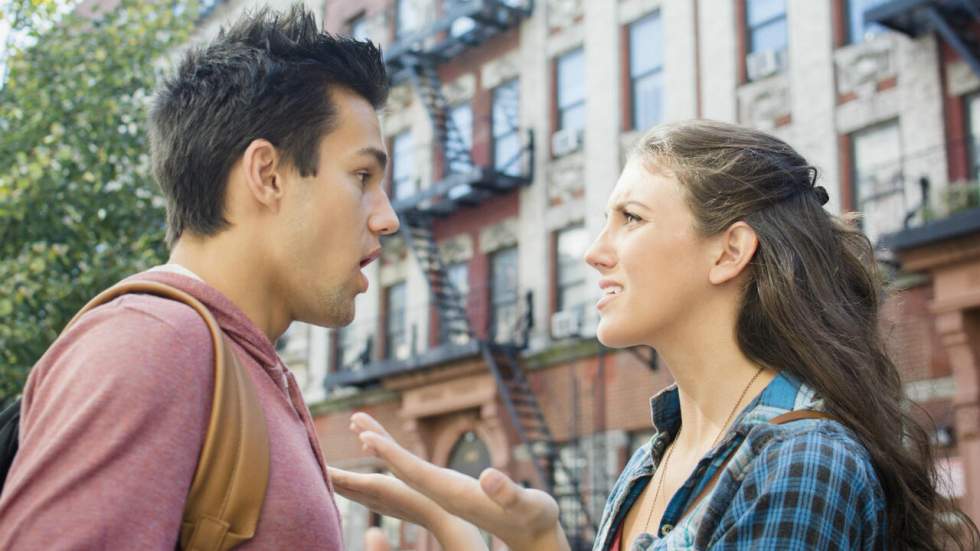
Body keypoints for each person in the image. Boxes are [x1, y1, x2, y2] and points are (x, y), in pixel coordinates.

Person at [332, 120, 980, 551]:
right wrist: (534, 541)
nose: (593, 252)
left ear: (728, 252)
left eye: (630, 218)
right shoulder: (651, 462)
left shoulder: (803, 464)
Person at [0, 5, 412, 549]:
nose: (387, 217)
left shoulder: (234, 364)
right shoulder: (154, 344)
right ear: (267, 174)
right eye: (362, 176)